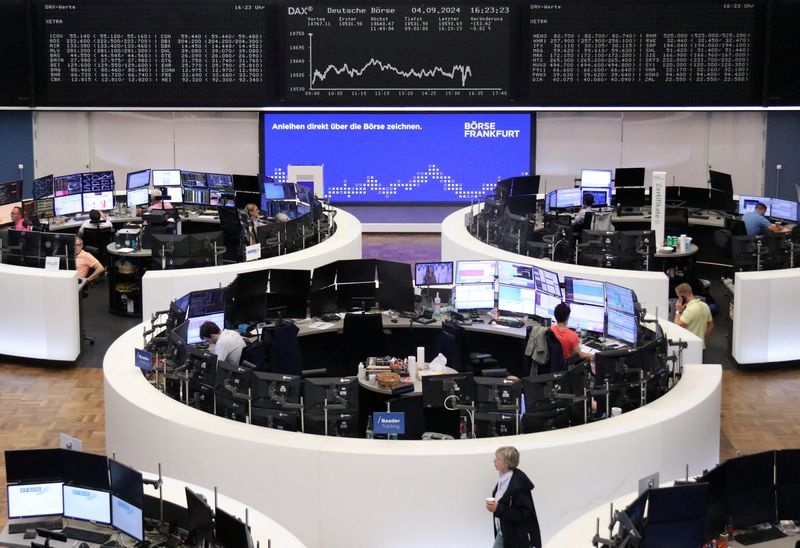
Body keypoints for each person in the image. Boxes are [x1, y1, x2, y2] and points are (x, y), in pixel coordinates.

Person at [486, 446, 542, 548]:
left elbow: (524, 513)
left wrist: (498, 508)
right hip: (505, 532)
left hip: (517, 537)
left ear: (507, 463)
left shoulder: (518, 484)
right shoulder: (504, 479)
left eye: (498, 459)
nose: (494, 460)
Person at [674, 282, 713, 348]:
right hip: (701, 347)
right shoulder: (705, 306)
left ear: (682, 296)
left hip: (689, 348)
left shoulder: (689, 310)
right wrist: (701, 337)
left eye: (679, 297)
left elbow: (677, 327)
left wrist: (678, 311)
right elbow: (710, 326)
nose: (679, 300)